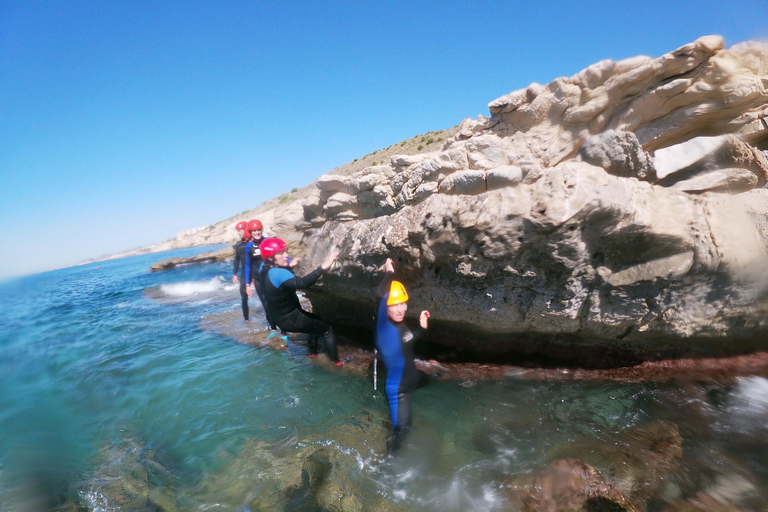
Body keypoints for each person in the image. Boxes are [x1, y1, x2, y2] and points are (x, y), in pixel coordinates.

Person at [375, 257, 430, 453]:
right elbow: (379, 294)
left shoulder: (403, 326)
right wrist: (389, 272)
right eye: (393, 306)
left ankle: (428, 379)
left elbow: (408, 339)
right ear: (386, 308)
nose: (399, 309)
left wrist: (421, 328)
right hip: (399, 391)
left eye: (402, 305)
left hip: (414, 377)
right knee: (403, 429)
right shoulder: (384, 328)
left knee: (430, 378)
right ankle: (386, 465)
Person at [258, 238, 342, 365]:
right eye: (280, 253)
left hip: (280, 318)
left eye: (285, 251)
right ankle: (337, 363)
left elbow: (281, 280)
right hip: (291, 319)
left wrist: (289, 266)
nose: (286, 255)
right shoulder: (278, 273)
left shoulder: (263, 269)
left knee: (314, 322)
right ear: (270, 257)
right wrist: (324, 266)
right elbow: (302, 283)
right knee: (326, 330)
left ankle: (313, 354)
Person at [243, 219, 286, 339]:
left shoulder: (269, 241)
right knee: (266, 305)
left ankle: (284, 331)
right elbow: (247, 265)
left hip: (272, 277)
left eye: (258, 230)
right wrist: (247, 284)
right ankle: (273, 329)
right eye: (254, 231)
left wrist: (289, 263)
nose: (257, 232)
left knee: (278, 302)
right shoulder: (249, 247)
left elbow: (281, 254)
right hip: (258, 280)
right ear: (250, 232)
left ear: (262, 230)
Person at [231, 221, 252, 323]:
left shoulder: (253, 242)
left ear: (246, 230)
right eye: (238, 231)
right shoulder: (239, 244)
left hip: (256, 272)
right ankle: (246, 320)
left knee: (265, 295)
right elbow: (236, 260)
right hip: (244, 273)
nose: (239, 233)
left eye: (240, 231)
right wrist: (235, 274)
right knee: (243, 297)